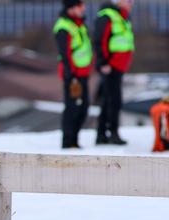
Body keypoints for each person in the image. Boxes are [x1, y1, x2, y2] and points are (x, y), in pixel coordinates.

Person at [94, 0, 135, 145]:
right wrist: (103, 63)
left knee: (107, 100)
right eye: (128, 0)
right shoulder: (108, 16)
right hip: (110, 66)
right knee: (114, 101)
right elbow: (99, 40)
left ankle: (101, 135)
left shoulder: (122, 17)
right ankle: (113, 133)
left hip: (118, 66)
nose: (131, 3)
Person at [54, 0, 93, 149]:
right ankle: (68, 141)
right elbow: (65, 54)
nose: (83, 8)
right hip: (73, 75)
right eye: (80, 5)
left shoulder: (78, 24)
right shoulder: (64, 27)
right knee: (72, 107)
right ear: (72, 7)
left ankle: (74, 140)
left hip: (83, 73)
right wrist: (71, 76)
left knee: (83, 108)